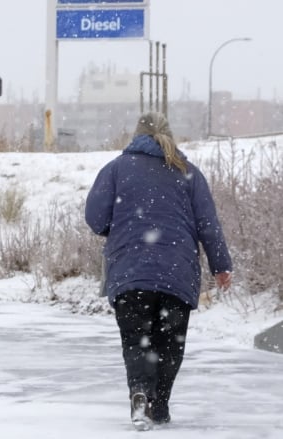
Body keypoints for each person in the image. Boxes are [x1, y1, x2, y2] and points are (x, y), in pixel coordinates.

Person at [85, 111, 233, 431]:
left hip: (130, 272)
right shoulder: (188, 172)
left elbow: (96, 218)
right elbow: (208, 225)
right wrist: (221, 265)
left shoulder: (115, 170)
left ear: (136, 135)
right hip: (177, 274)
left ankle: (140, 391)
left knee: (136, 339)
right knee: (169, 342)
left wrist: (122, 228)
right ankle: (160, 404)